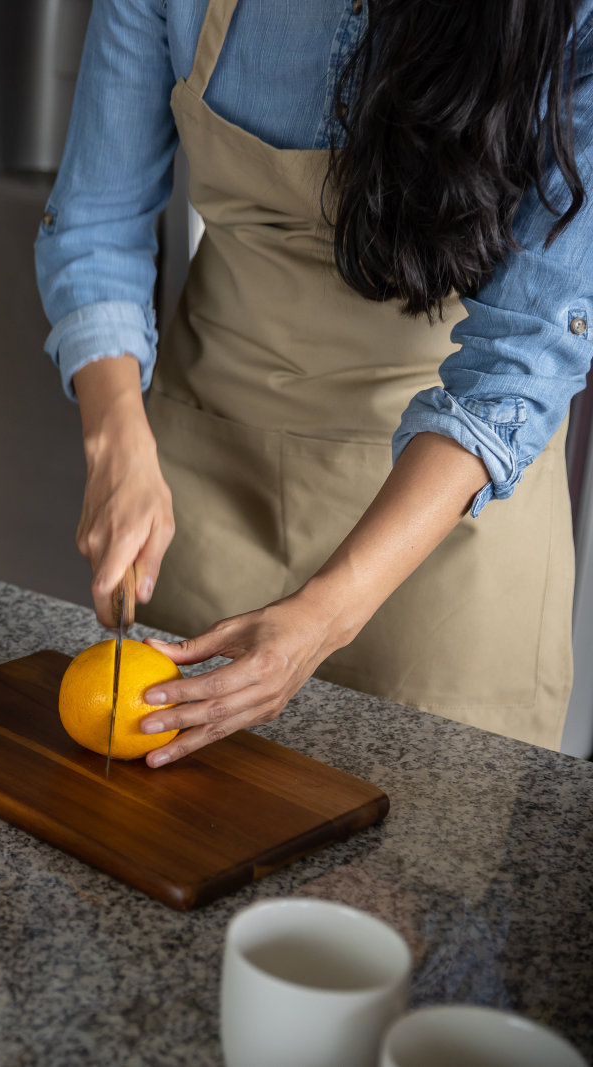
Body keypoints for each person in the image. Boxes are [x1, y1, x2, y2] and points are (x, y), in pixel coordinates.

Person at [37, 0, 592, 761]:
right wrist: (116, 446)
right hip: (203, 486)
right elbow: (96, 221)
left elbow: (525, 350)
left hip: (449, 539)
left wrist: (325, 614)